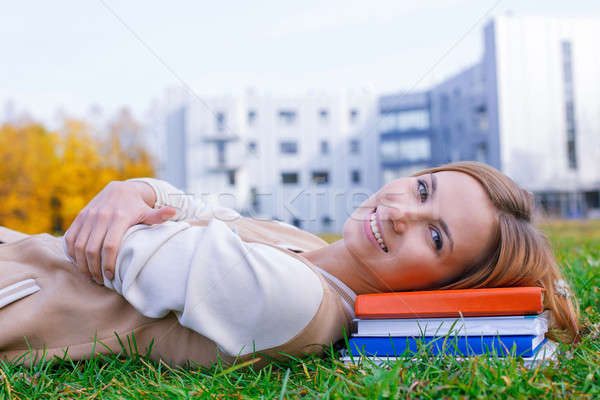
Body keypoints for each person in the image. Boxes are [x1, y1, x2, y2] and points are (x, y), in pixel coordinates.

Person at [0, 162, 579, 367]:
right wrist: (134, 191)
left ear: (442, 291)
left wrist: (130, 206)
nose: (403, 212)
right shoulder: (301, 248)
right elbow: (191, 206)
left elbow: (125, 251)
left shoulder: (298, 303)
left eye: (435, 236)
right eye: (423, 189)